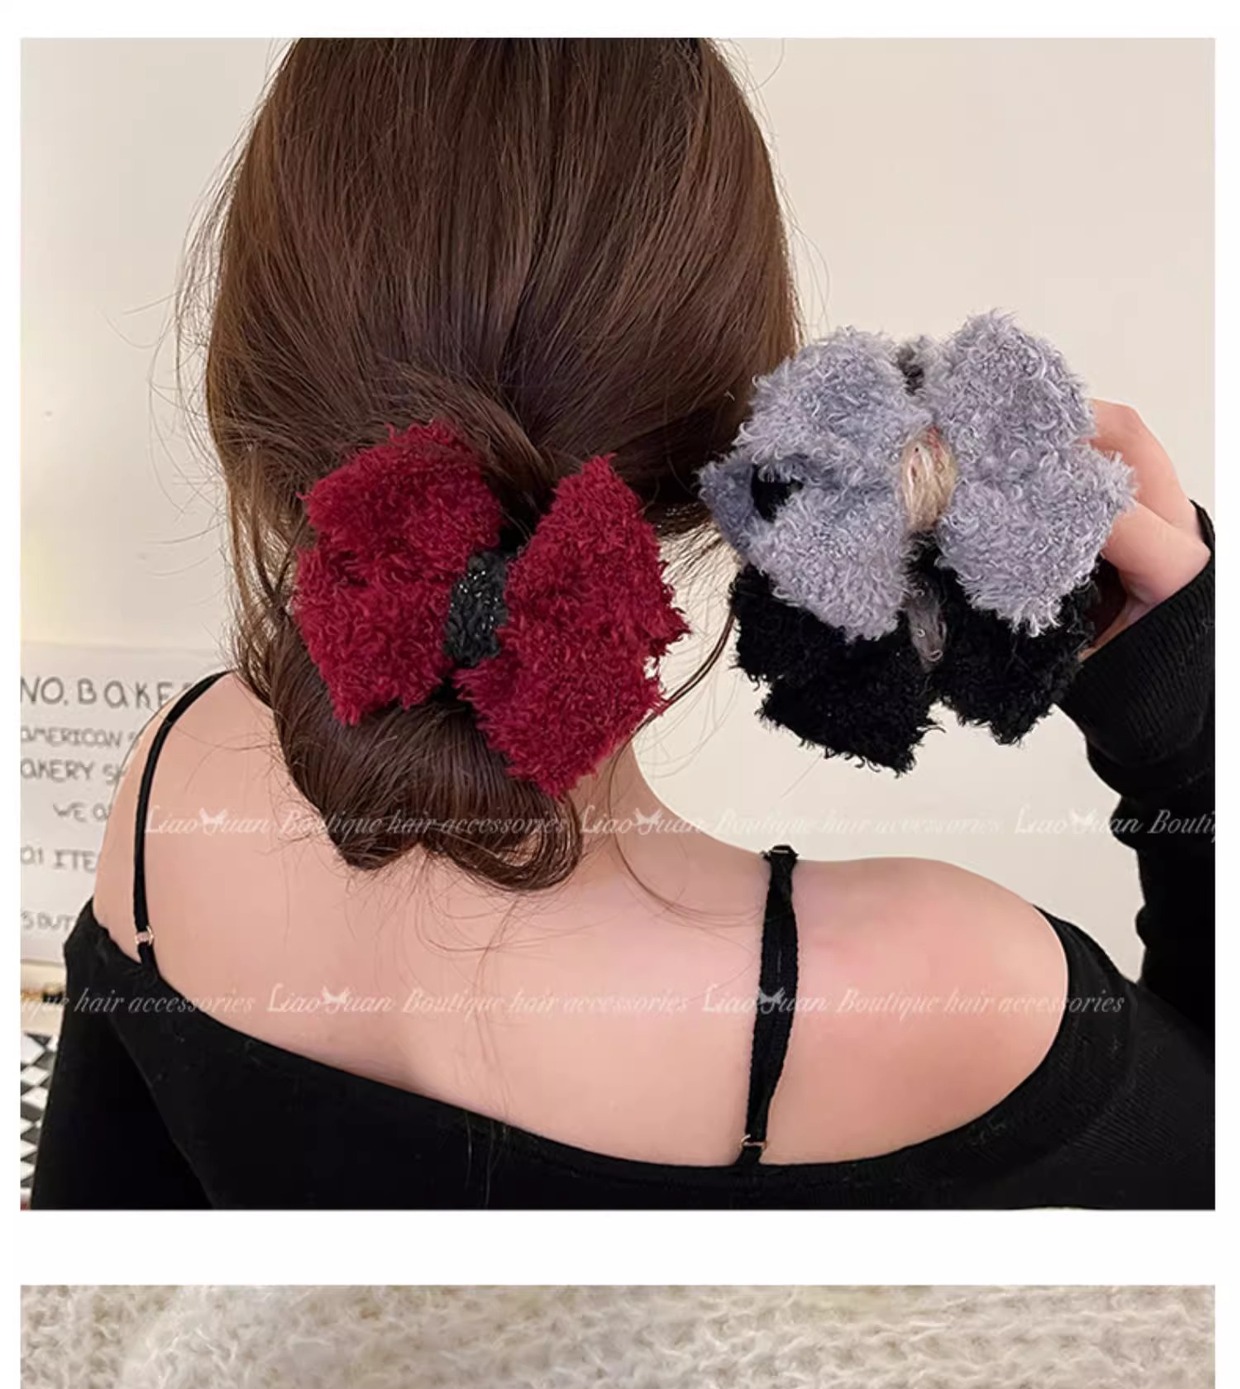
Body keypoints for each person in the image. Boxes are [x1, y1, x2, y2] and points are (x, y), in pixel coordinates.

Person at [31, 38, 1213, 1210]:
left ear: (250, 369)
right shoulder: (943, 994)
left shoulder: (170, 791)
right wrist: (1185, 729)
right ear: (726, 417)